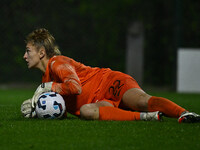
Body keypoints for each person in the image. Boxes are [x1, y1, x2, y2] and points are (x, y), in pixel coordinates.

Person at [21, 28, 200, 123]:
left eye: (28, 51)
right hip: (98, 102)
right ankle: (148, 117)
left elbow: (75, 88)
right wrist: (36, 109)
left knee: (141, 102)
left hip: (108, 82)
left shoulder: (58, 63)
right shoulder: (46, 79)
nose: (25, 56)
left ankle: (184, 113)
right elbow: (60, 110)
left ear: (42, 52)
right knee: (86, 111)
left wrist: (47, 88)